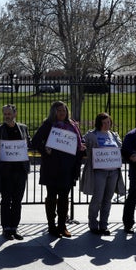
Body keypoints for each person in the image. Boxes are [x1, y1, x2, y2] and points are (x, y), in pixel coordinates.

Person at [31, 101, 85, 238]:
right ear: (53, 112)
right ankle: (51, 226)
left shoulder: (72, 126)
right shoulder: (48, 125)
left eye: (64, 110)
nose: (62, 113)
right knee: (51, 197)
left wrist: (82, 149)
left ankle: (62, 226)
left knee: (64, 197)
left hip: (68, 167)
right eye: (59, 110)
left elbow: (79, 143)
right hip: (52, 167)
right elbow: (35, 141)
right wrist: (45, 150)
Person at [0, 104, 31, 241]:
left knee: (18, 200)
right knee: (6, 200)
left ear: (15, 114)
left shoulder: (23, 128)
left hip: (21, 170)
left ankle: (14, 227)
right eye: (5, 114)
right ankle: (6, 228)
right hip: (5, 171)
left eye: (9, 113)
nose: (7, 116)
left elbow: (28, 143)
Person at [81, 112, 124, 236]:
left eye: (108, 122)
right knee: (97, 198)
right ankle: (93, 224)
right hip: (99, 171)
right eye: (104, 122)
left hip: (113, 171)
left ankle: (104, 225)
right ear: (98, 123)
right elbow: (82, 144)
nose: (106, 125)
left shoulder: (114, 135)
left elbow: (120, 149)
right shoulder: (92, 135)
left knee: (107, 199)